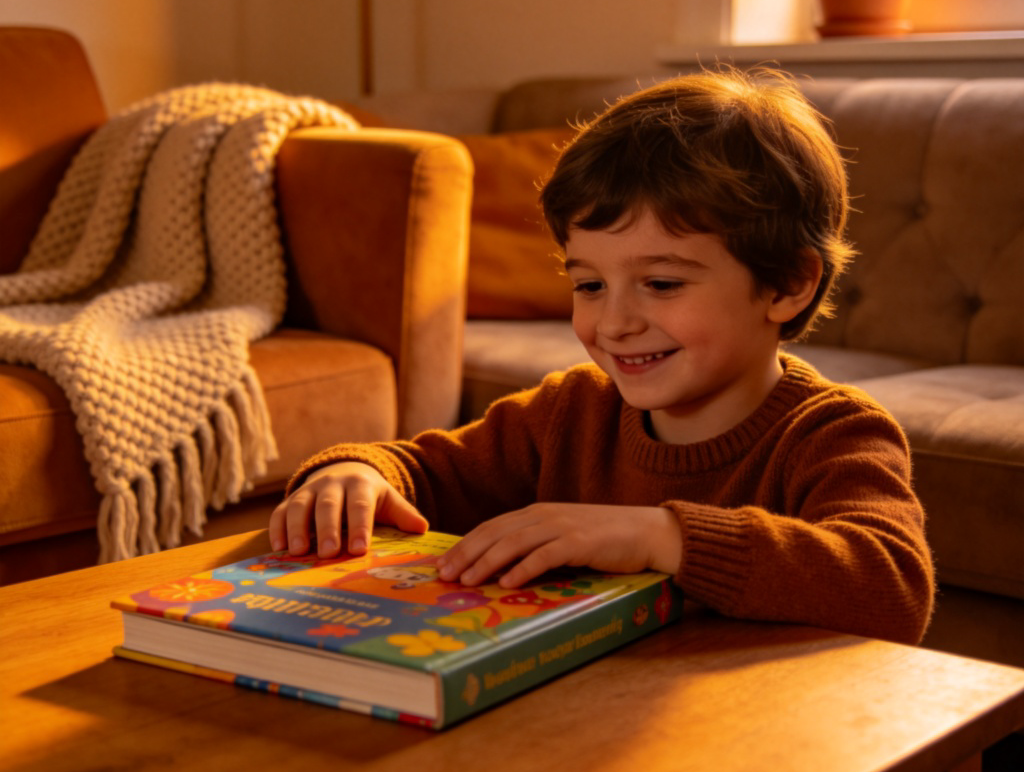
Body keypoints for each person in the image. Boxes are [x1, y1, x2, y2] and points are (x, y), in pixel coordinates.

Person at [269, 68, 934, 645]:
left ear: (788, 284)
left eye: (662, 283)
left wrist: (658, 537)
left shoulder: (834, 433)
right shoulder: (569, 410)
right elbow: (422, 470)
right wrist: (354, 471)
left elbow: (892, 587)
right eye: (589, 285)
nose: (614, 323)